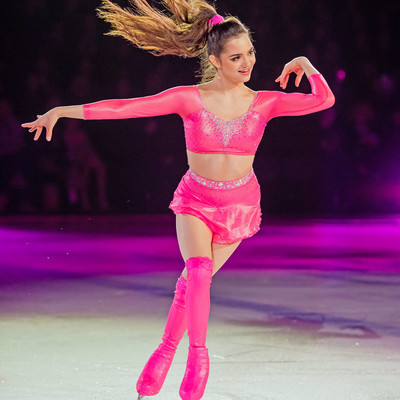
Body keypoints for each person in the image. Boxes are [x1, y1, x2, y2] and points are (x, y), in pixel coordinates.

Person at [22, 0, 335, 398]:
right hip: (196, 201)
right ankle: (196, 358)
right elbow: (125, 108)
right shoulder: (188, 98)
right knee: (198, 272)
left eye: (250, 53)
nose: (247, 63)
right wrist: (62, 111)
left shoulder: (265, 102)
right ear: (215, 60)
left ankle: (165, 351)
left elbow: (324, 100)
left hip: (239, 207)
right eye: (236, 57)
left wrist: (305, 63)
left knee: (190, 285)